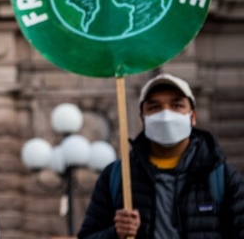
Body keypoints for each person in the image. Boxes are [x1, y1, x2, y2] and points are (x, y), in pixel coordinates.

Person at [78, 73, 244, 238]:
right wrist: (115, 233)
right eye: (154, 107)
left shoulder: (222, 178)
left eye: (176, 105)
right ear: (143, 119)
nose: (166, 115)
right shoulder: (117, 177)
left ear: (192, 117)